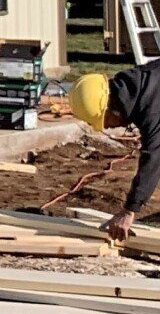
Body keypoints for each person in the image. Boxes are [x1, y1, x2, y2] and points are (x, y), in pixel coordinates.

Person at [69, 66, 160, 238]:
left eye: (103, 120)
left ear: (111, 108)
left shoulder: (150, 104)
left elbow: (154, 156)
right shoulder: (139, 87)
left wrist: (129, 210)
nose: (106, 127)